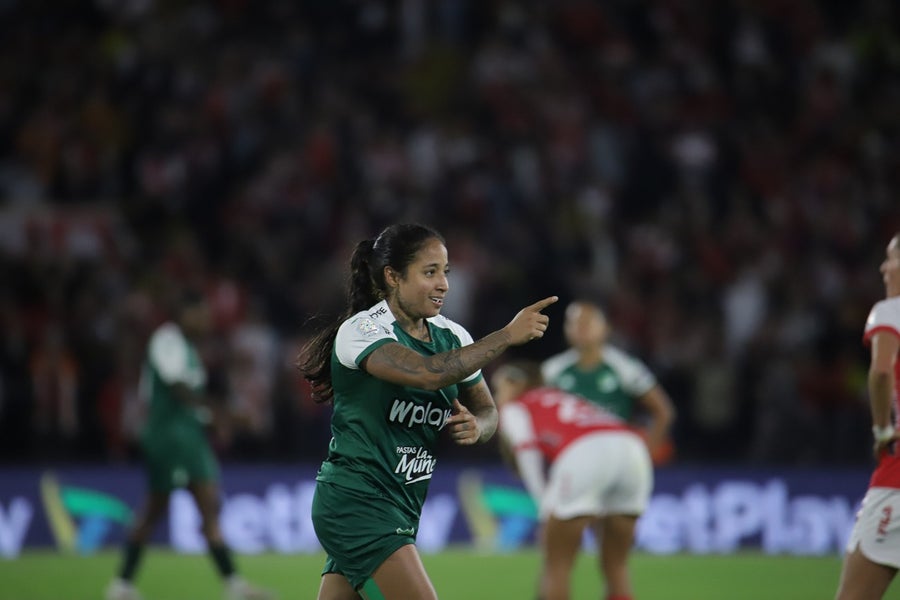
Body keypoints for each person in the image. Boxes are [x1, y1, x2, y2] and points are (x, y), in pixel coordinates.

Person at [296, 223, 557, 600]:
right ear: (393, 277)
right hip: (358, 502)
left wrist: (478, 426)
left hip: (402, 505)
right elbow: (425, 373)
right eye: (430, 272)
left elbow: (488, 411)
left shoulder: (453, 336)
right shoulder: (362, 330)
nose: (444, 284)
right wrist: (506, 336)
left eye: (445, 272)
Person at [105, 290, 273, 600]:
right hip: (169, 438)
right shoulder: (167, 339)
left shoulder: (189, 348)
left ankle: (234, 585)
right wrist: (224, 413)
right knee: (155, 510)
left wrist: (216, 421)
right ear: (185, 313)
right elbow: (179, 389)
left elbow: (191, 406)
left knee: (209, 507)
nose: (206, 321)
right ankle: (121, 584)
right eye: (201, 314)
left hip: (190, 437)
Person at [492, 360, 652, 600]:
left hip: (585, 451)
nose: (497, 397)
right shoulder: (559, 395)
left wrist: (544, 504)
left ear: (515, 386)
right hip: (631, 448)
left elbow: (527, 452)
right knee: (617, 565)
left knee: (557, 565)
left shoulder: (516, 406)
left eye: (499, 389)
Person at [835, 233, 900, 600]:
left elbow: (880, 371)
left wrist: (882, 429)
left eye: (891, 259)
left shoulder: (890, 311)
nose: (883, 268)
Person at [541, 300, 675, 463]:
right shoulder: (552, 370)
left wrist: (644, 456)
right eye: (573, 323)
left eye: (587, 322)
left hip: (614, 458)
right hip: (568, 458)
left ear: (605, 328)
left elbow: (663, 411)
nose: (580, 328)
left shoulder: (626, 367)